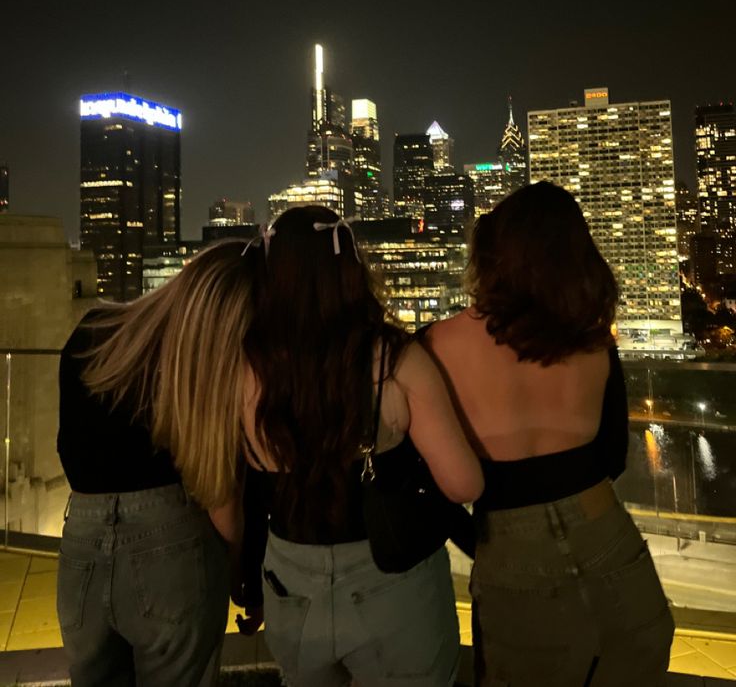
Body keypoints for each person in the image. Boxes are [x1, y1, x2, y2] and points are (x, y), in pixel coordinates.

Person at [426, 182, 675, 687]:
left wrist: (480, 539)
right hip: (610, 539)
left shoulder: (436, 344)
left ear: (495, 251)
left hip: (511, 556)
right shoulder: (593, 340)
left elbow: (423, 481)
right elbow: (612, 456)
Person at [235, 206, 483, 687]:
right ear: (350, 268)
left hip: (288, 583)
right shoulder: (396, 359)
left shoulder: (243, 366)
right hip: (391, 584)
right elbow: (463, 483)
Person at [56, 240, 256, 687]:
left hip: (80, 548)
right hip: (172, 550)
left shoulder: (94, 330)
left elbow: (67, 445)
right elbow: (220, 501)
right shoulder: (203, 366)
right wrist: (243, 570)